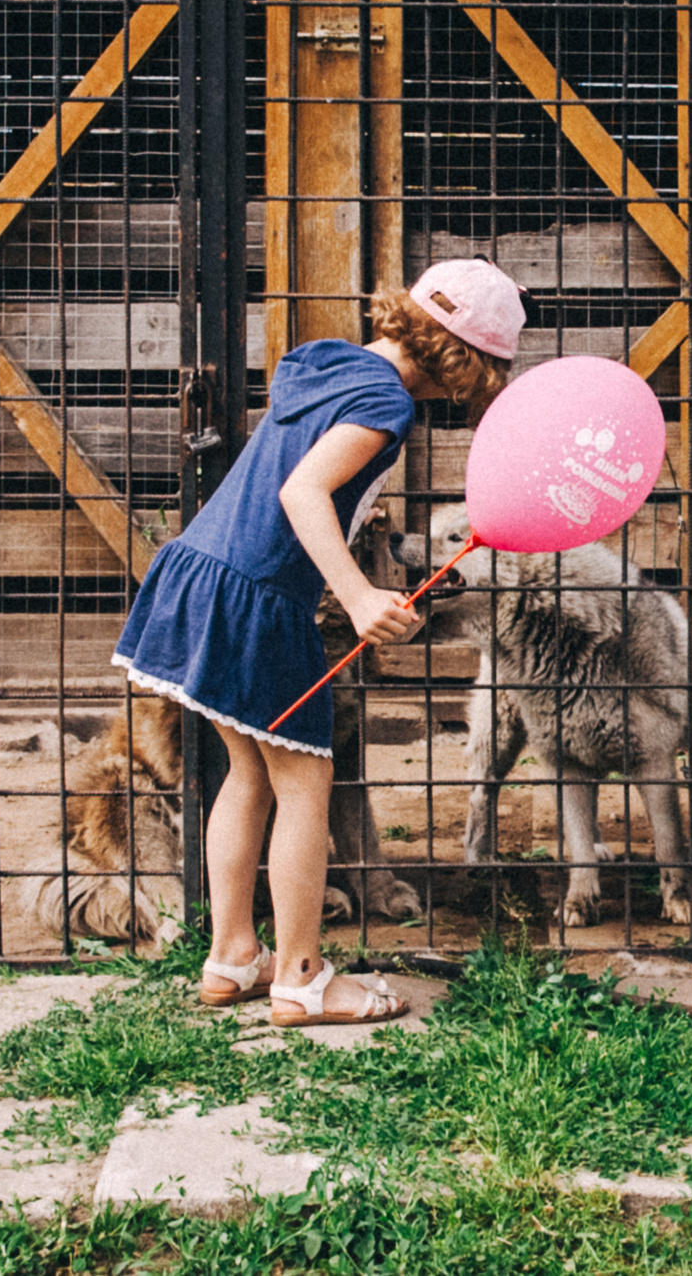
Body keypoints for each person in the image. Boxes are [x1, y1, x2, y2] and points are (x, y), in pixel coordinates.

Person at [111, 259, 523, 1027]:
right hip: (260, 600)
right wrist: (361, 595)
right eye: (491, 369)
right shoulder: (386, 401)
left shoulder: (331, 361)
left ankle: (233, 952)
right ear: (465, 359)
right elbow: (300, 491)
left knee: (248, 774)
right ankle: (302, 978)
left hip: (203, 571)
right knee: (305, 784)